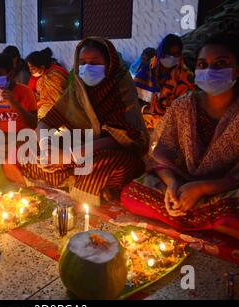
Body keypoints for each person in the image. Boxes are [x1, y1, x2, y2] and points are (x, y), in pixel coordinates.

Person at [121, 34, 239, 253]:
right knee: (132, 193)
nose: (210, 71)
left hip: (230, 188)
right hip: (183, 185)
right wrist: (172, 184)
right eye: (202, 65)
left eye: (221, 64)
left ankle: (202, 217)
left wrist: (204, 188)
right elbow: (160, 154)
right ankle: (229, 230)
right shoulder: (183, 105)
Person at [15, 37, 149, 206]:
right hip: (75, 146)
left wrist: (70, 156)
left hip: (108, 150)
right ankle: (76, 179)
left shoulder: (121, 85)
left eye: (94, 62)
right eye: (83, 62)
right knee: (27, 151)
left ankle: (73, 178)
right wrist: (45, 146)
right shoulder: (77, 87)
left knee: (117, 165)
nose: (87, 67)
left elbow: (121, 137)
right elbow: (46, 122)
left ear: (109, 63)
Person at [26, 48, 69, 119]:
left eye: (32, 68)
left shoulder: (52, 76)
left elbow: (52, 101)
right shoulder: (49, 72)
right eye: (29, 68)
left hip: (57, 113)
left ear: (42, 67)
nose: (30, 71)